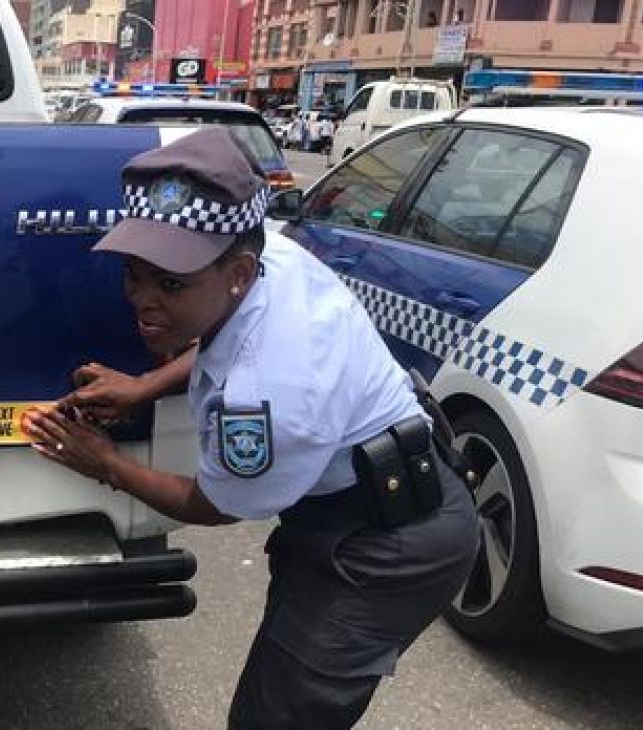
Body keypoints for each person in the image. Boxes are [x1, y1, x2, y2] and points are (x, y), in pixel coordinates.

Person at [24, 127, 479, 729]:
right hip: (353, 504)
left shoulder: (268, 397)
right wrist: (142, 387)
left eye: (170, 284)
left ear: (238, 272)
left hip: (388, 548)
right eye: (135, 273)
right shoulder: (265, 255)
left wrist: (105, 463)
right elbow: (225, 337)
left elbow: (212, 504)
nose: (142, 299)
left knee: (275, 718)